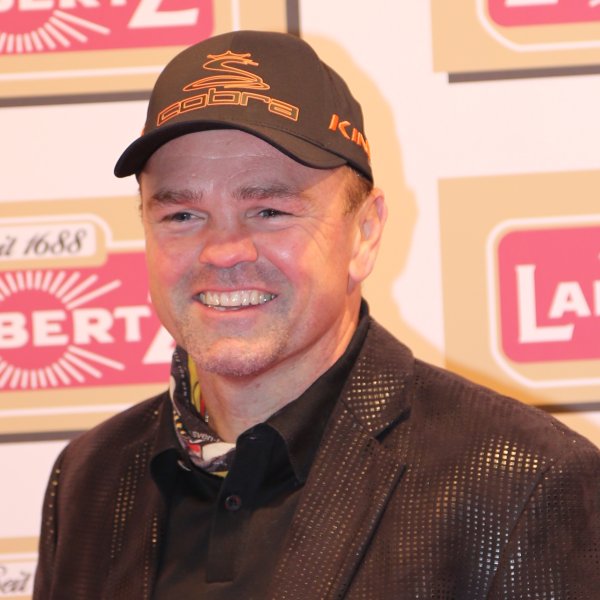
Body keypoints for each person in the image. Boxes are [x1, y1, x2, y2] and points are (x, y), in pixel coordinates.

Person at [33, 30, 600, 599]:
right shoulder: (88, 479)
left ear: (365, 232)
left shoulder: (523, 483)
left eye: (269, 211)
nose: (223, 252)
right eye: (181, 216)